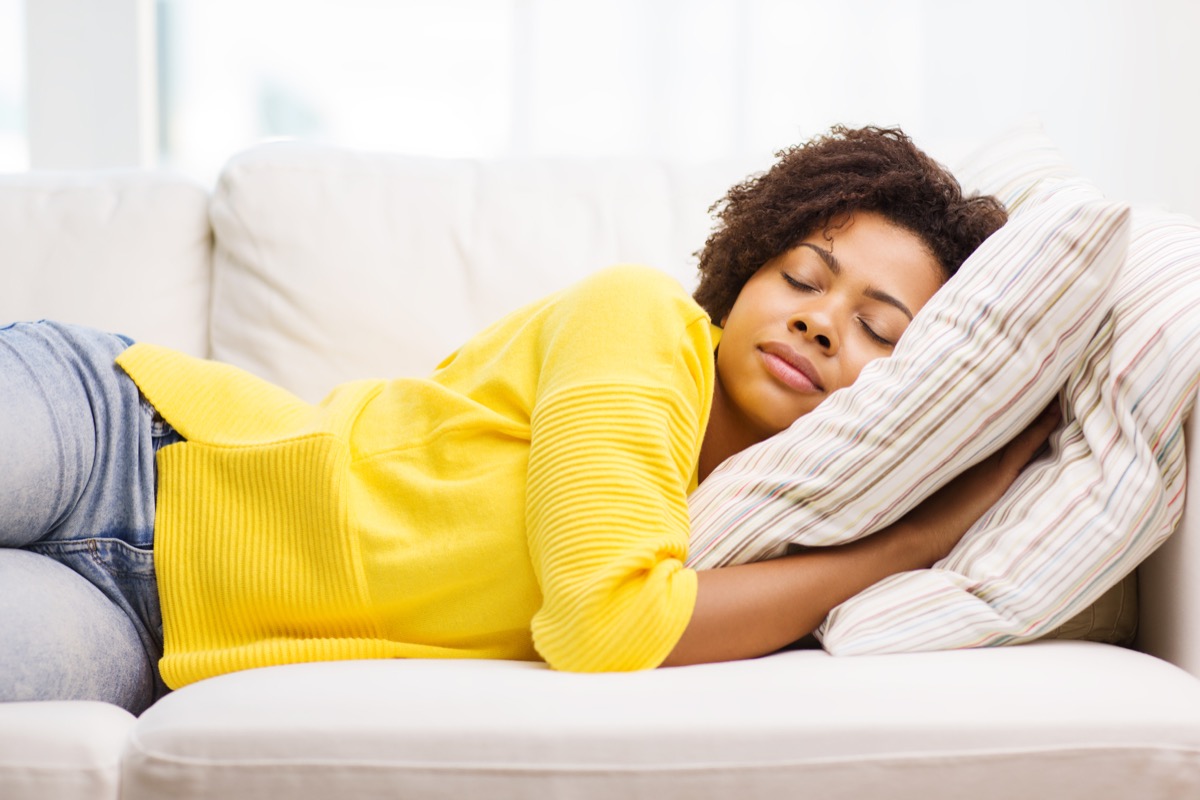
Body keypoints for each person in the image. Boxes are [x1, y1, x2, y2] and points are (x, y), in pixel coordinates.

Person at [0, 126, 1053, 716]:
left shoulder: (751, 524)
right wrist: (907, 545)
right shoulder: (641, 321)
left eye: (878, 326)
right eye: (804, 275)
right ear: (744, 274)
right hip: (124, 439)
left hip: (153, 630)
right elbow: (606, 621)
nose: (822, 322)